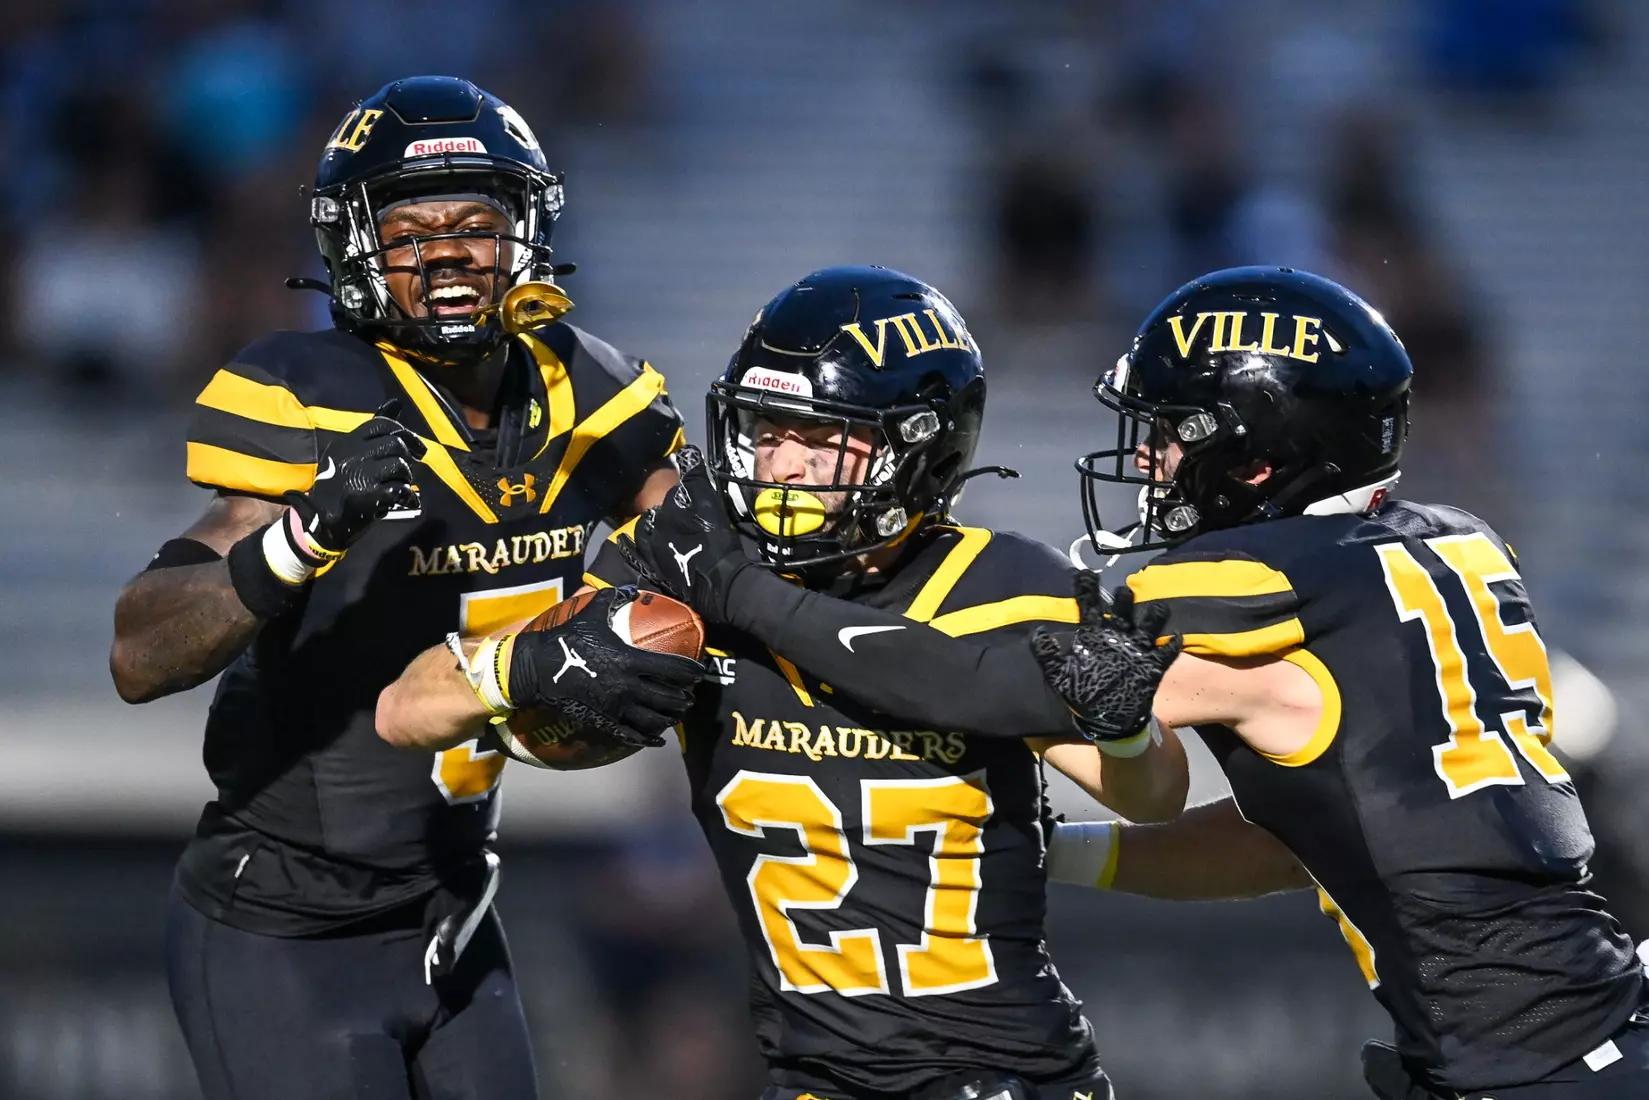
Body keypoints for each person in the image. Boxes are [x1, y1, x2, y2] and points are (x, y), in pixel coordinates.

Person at [376, 265, 1190, 1100]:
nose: (783, 465)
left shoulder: (1001, 582)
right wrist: (524, 666)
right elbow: (407, 711)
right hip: (811, 1075)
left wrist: (1124, 728)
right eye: (766, 431)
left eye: (821, 439)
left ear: (919, 446)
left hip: (1005, 1074)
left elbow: (1152, 790)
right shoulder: (687, 564)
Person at [108, 76, 702, 1100]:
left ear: (525, 230)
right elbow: (139, 651)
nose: (444, 253)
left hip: (457, 904)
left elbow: (699, 558)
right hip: (285, 922)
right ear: (354, 247)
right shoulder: (306, 391)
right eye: (408, 227)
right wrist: (300, 536)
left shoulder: (590, 387)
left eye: (472, 221)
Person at [1035, 266, 1649, 1099]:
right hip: (1581, 1034)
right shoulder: (1450, 545)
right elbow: (1305, 840)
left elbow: (1025, 689)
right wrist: (1058, 855)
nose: (1146, 457)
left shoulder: (1250, 580)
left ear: (1252, 460)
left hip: (1534, 1066)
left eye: (1170, 430)